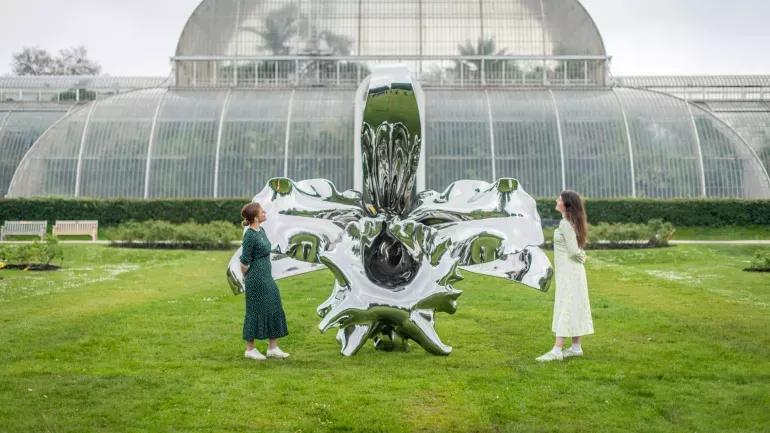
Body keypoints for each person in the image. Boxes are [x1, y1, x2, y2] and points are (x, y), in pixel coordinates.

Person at [537, 190, 594, 362]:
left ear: (566, 204)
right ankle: (576, 347)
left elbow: (573, 250)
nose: (556, 200)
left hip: (570, 272)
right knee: (573, 304)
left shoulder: (564, 224)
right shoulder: (571, 222)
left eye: (559, 199)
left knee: (566, 306)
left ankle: (557, 350)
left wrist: (582, 256)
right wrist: (581, 256)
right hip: (571, 272)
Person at [240, 202, 290, 360]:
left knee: (274, 305)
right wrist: (250, 276)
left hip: (266, 277)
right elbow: (244, 262)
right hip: (256, 279)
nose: (265, 212)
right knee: (255, 311)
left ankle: (272, 348)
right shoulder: (249, 235)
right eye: (262, 211)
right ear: (255, 217)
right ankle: (250, 350)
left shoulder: (261, 230)